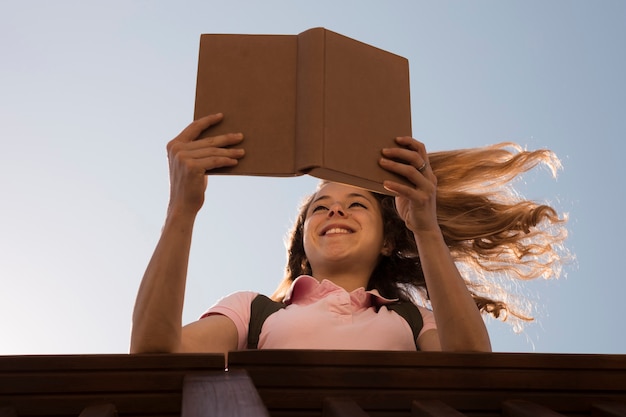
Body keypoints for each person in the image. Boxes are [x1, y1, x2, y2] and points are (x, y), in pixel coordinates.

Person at [130, 113, 568, 354]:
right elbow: (153, 355)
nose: (335, 208)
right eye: (320, 207)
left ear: (388, 240)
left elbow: (471, 367)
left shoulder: (412, 320)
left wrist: (426, 227)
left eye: (356, 204)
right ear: (303, 242)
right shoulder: (252, 311)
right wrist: (181, 210)